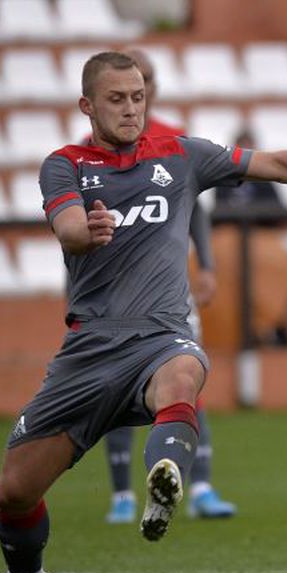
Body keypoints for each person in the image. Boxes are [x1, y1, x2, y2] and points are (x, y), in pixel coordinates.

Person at [0, 50, 287, 573]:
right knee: (13, 492)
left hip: (160, 336)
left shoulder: (182, 155)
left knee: (184, 371)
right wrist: (88, 230)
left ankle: (164, 479)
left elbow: (282, 165)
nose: (131, 109)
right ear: (87, 105)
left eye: (138, 97)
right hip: (89, 351)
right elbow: (67, 229)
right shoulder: (64, 165)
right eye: (117, 99)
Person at [102, 47, 236, 524]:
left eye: (147, 80)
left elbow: (195, 207)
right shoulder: (92, 148)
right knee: (114, 389)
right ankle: (122, 495)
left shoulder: (173, 141)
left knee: (187, 380)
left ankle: (200, 487)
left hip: (170, 293)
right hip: (114, 296)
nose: (140, 91)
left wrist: (207, 264)